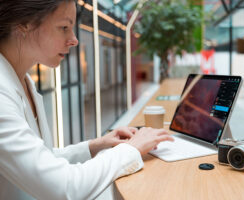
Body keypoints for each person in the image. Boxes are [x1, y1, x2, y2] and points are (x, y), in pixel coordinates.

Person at [0, 0, 174, 199]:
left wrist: (96, 145)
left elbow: (39, 164)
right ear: (24, 22)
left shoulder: (24, 81)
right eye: (64, 27)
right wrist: (130, 150)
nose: (74, 40)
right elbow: (63, 188)